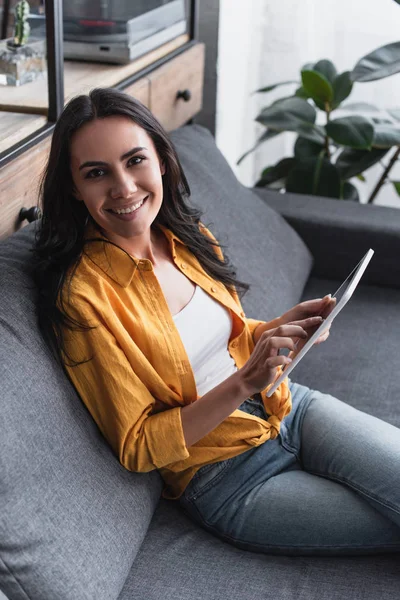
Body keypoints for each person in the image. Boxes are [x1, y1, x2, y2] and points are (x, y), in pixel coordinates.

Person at [32, 87, 400, 557]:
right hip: (228, 479)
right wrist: (245, 382)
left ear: (162, 161)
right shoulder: (83, 298)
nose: (123, 187)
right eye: (97, 173)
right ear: (73, 188)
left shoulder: (185, 237)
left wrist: (281, 328)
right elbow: (140, 447)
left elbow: (226, 341)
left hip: (289, 408)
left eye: (135, 160)